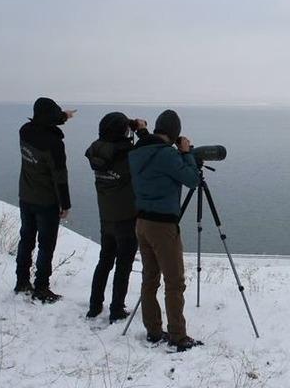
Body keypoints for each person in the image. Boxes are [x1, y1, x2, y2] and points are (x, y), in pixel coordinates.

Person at [128, 109, 202, 352]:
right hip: (163, 226)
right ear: (174, 133)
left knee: (149, 279)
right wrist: (187, 154)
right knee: (174, 281)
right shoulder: (168, 155)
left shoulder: (137, 152)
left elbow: (148, 142)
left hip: (141, 223)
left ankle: (153, 330)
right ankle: (178, 336)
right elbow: (192, 179)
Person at [84, 112, 148, 323]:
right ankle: (117, 309)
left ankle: (94, 306)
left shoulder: (97, 151)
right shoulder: (127, 153)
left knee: (105, 260)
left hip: (106, 215)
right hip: (127, 217)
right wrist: (139, 129)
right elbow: (147, 150)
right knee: (123, 265)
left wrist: (128, 128)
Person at [15, 97, 75, 303]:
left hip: (26, 195)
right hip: (46, 201)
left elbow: (43, 124)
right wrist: (65, 204)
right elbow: (60, 176)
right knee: (46, 245)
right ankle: (41, 287)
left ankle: (22, 281)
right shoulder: (54, 144)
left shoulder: (25, 131)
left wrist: (63, 116)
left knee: (26, 240)